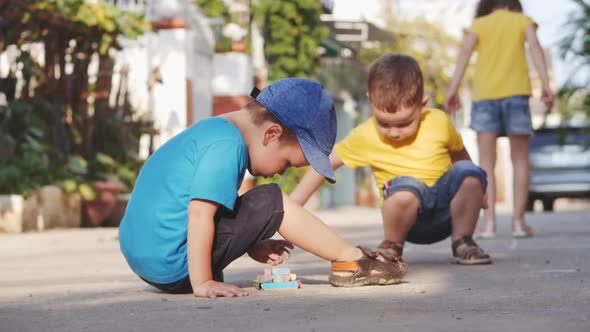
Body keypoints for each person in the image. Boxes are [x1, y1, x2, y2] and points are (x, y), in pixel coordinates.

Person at [119, 78, 406, 299]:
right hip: (172, 264)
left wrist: (252, 241)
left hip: (151, 258)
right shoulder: (226, 146)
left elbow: (213, 211)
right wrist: (203, 282)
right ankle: (350, 259)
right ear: (271, 134)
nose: (282, 171)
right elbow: (199, 215)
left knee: (255, 200)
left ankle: (350, 258)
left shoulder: (215, 131)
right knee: (271, 199)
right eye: (287, 162)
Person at [291, 54, 492, 267]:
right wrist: (290, 209)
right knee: (406, 186)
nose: (394, 132)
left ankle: (463, 241)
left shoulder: (439, 122)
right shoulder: (366, 135)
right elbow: (325, 164)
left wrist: (479, 190)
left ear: (422, 105)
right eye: (384, 123)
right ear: (371, 102)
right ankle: (392, 246)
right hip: (405, 221)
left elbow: (462, 159)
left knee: (469, 171)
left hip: (448, 215)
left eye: (404, 123)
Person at [445, 0, 554, 238]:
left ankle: (490, 223)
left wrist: (453, 89)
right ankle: (518, 223)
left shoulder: (480, 24)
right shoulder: (522, 21)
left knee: (486, 163)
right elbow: (535, 47)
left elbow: (464, 53)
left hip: (485, 96)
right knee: (520, 161)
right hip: (517, 95)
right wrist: (545, 84)